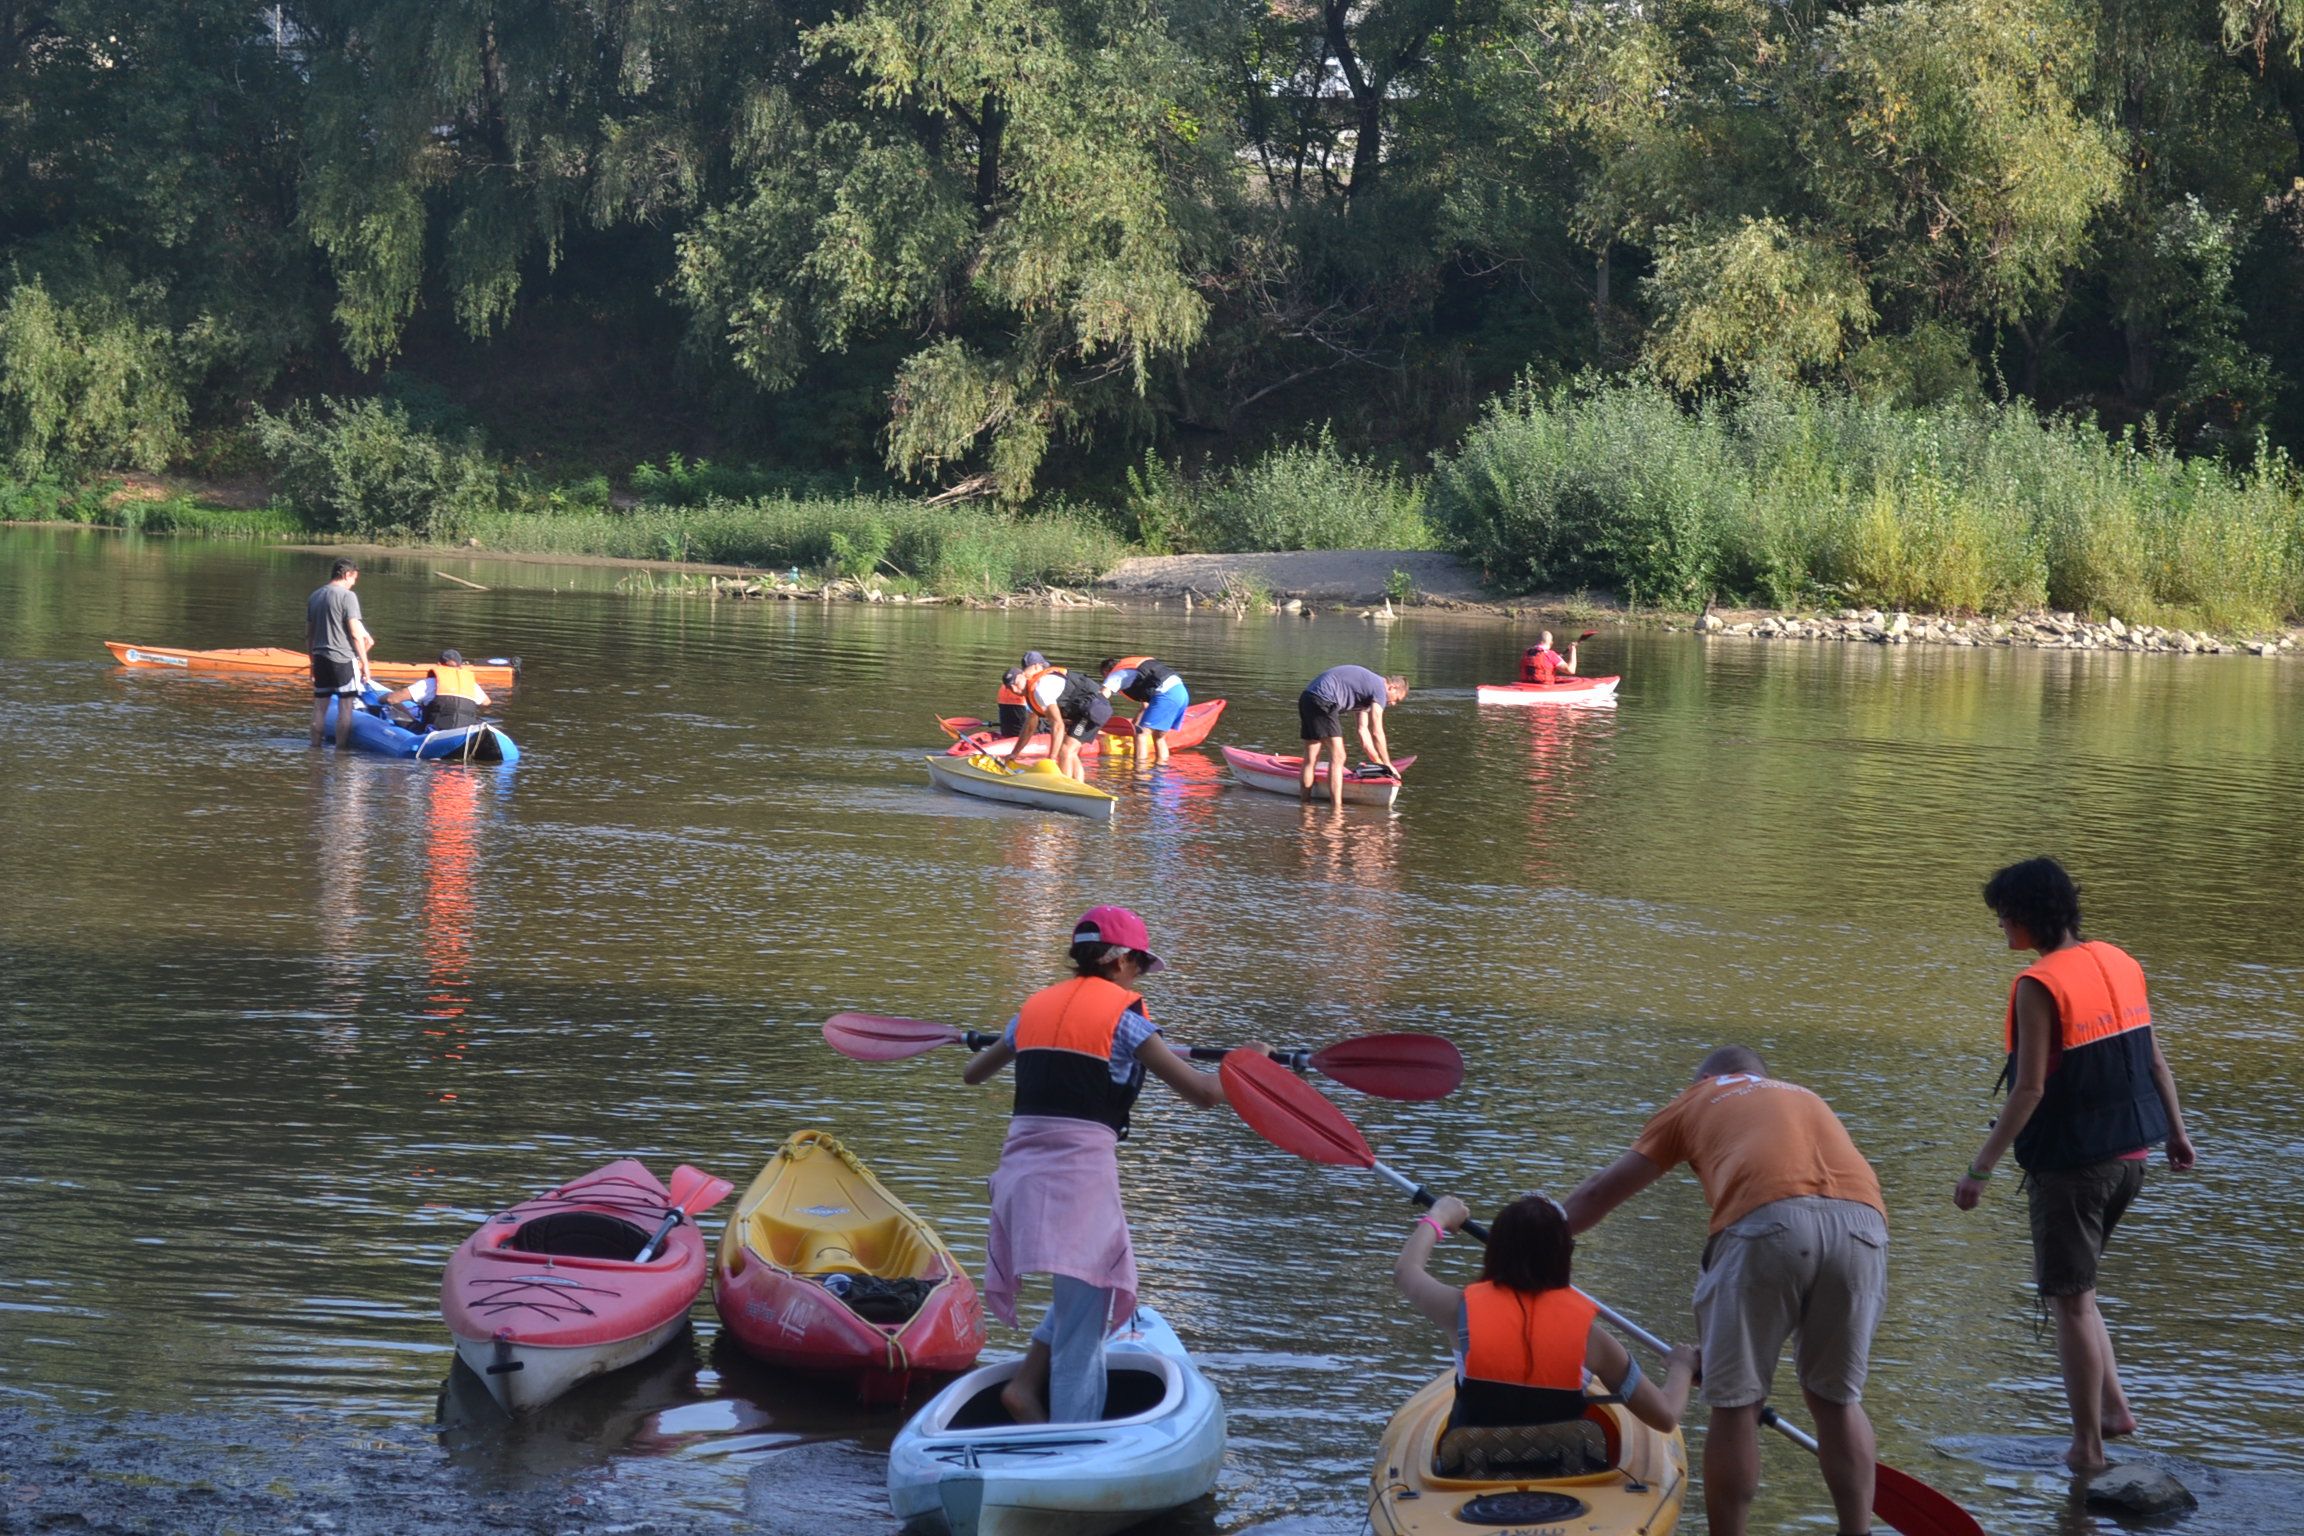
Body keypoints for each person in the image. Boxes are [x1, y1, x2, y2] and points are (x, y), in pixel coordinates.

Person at [1562, 1047, 1888, 1536]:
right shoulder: (1803, 1095)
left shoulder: (1698, 1098)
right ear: (1760, 1076)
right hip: (1865, 1228)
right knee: (1837, 1399)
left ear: (1707, 1076)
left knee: (1737, 1404)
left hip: (1767, 1222)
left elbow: (1597, 1193)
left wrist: (1530, 1242)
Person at [961, 907, 1261, 1424]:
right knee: (1085, 1326)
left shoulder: (1030, 1009)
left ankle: (1026, 1385)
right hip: (1077, 1182)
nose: (1141, 975)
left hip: (1019, 1176)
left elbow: (973, 1073)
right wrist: (1249, 1062)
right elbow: (1206, 1094)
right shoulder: (1128, 1020)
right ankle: (1069, 1442)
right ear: (1119, 960)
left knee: (1094, 1281)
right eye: (1140, 964)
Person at [1954, 857, 2194, 1472]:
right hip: (2132, 1159)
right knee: (2080, 1296)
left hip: (2074, 1167)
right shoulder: (2120, 962)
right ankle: (2114, 1410)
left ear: (2031, 915)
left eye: (2004, 915)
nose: (2001, 926)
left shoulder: (2039, 984)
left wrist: (1978, 1171)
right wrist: (2177, 1133)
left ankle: (2087, 1447)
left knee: (2070, 1300)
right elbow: (2156, 1062)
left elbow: (2028, 1090)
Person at [1395, 1192, 1696, 1438]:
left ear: (1495, 1250)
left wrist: (1438, 1217)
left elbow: (1406, 1272)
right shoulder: (1592, 1340)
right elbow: (1666, 1416)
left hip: (1470, 1466)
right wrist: (1681, 1366)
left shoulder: (1458, 1309)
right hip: (1560, 1471)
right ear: (1564, 1256)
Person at [1297, 665, 1407, 809]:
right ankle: (1336, 811)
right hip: (1324, 700)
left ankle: (1305, 805)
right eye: (1396, 700)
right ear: (1392, 687)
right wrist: (1388, 763)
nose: (1392, 704)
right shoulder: (1380, 689)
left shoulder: (1367, 692)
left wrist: (1379, 762)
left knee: (1311, 757)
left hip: (1307, 698)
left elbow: (1363, 732)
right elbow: (1377, 732)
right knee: (1339, 757)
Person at [306, 558, 374, 748]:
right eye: (354, 579)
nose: (354, 583)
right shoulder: (347, 596)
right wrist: (365, 665)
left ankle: (314, 749)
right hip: (342, 659)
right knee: (346, 708)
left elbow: (308, 636)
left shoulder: (315, 596)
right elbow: (355, 633)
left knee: (319, 708)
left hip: (319, 658)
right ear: (346, 575)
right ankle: (341, 752)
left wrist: (312, 664)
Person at [1009, 660, 1112, 783]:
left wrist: (1052, 758)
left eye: (1016, 683)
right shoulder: (1031, 697)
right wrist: (1014, 754)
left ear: (1023, 677)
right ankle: (1078, 785)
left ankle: (1065, 786)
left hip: (1093, 710)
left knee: (1065, 750)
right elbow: (1029, 728)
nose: (1014, 689)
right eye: (1009, 687)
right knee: (1071, 752)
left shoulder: (1040, 690)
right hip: (1081, 713)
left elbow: (1058, 725)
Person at [1098, 655, 1191, 764]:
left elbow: (1104, 694)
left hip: (1166, 695)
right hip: (1181, 692)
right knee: (1158, 737)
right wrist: (1134, 725)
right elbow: (1146, 706)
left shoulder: (1116, 675)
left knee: (1141, 734)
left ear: (1106, 672)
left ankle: (1139, 773)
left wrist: (1089, 714)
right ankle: (1160, 771)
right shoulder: (1133, 670)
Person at [381, 649, 492, 731]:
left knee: (392, 706)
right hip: (465, 731)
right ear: (460, 666)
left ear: (439, 664)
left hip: (435, 732)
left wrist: (382, 698)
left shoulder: (430, 683)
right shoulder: (471, 684)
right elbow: (486, 702)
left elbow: (392, 699)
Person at [996, 650, 1049, 739]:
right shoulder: (1034, 683)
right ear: (1036, 666)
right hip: (1026, 731)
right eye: (1042, 666)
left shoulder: (1007, 683)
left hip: (1007, 730)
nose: (1043, 669)